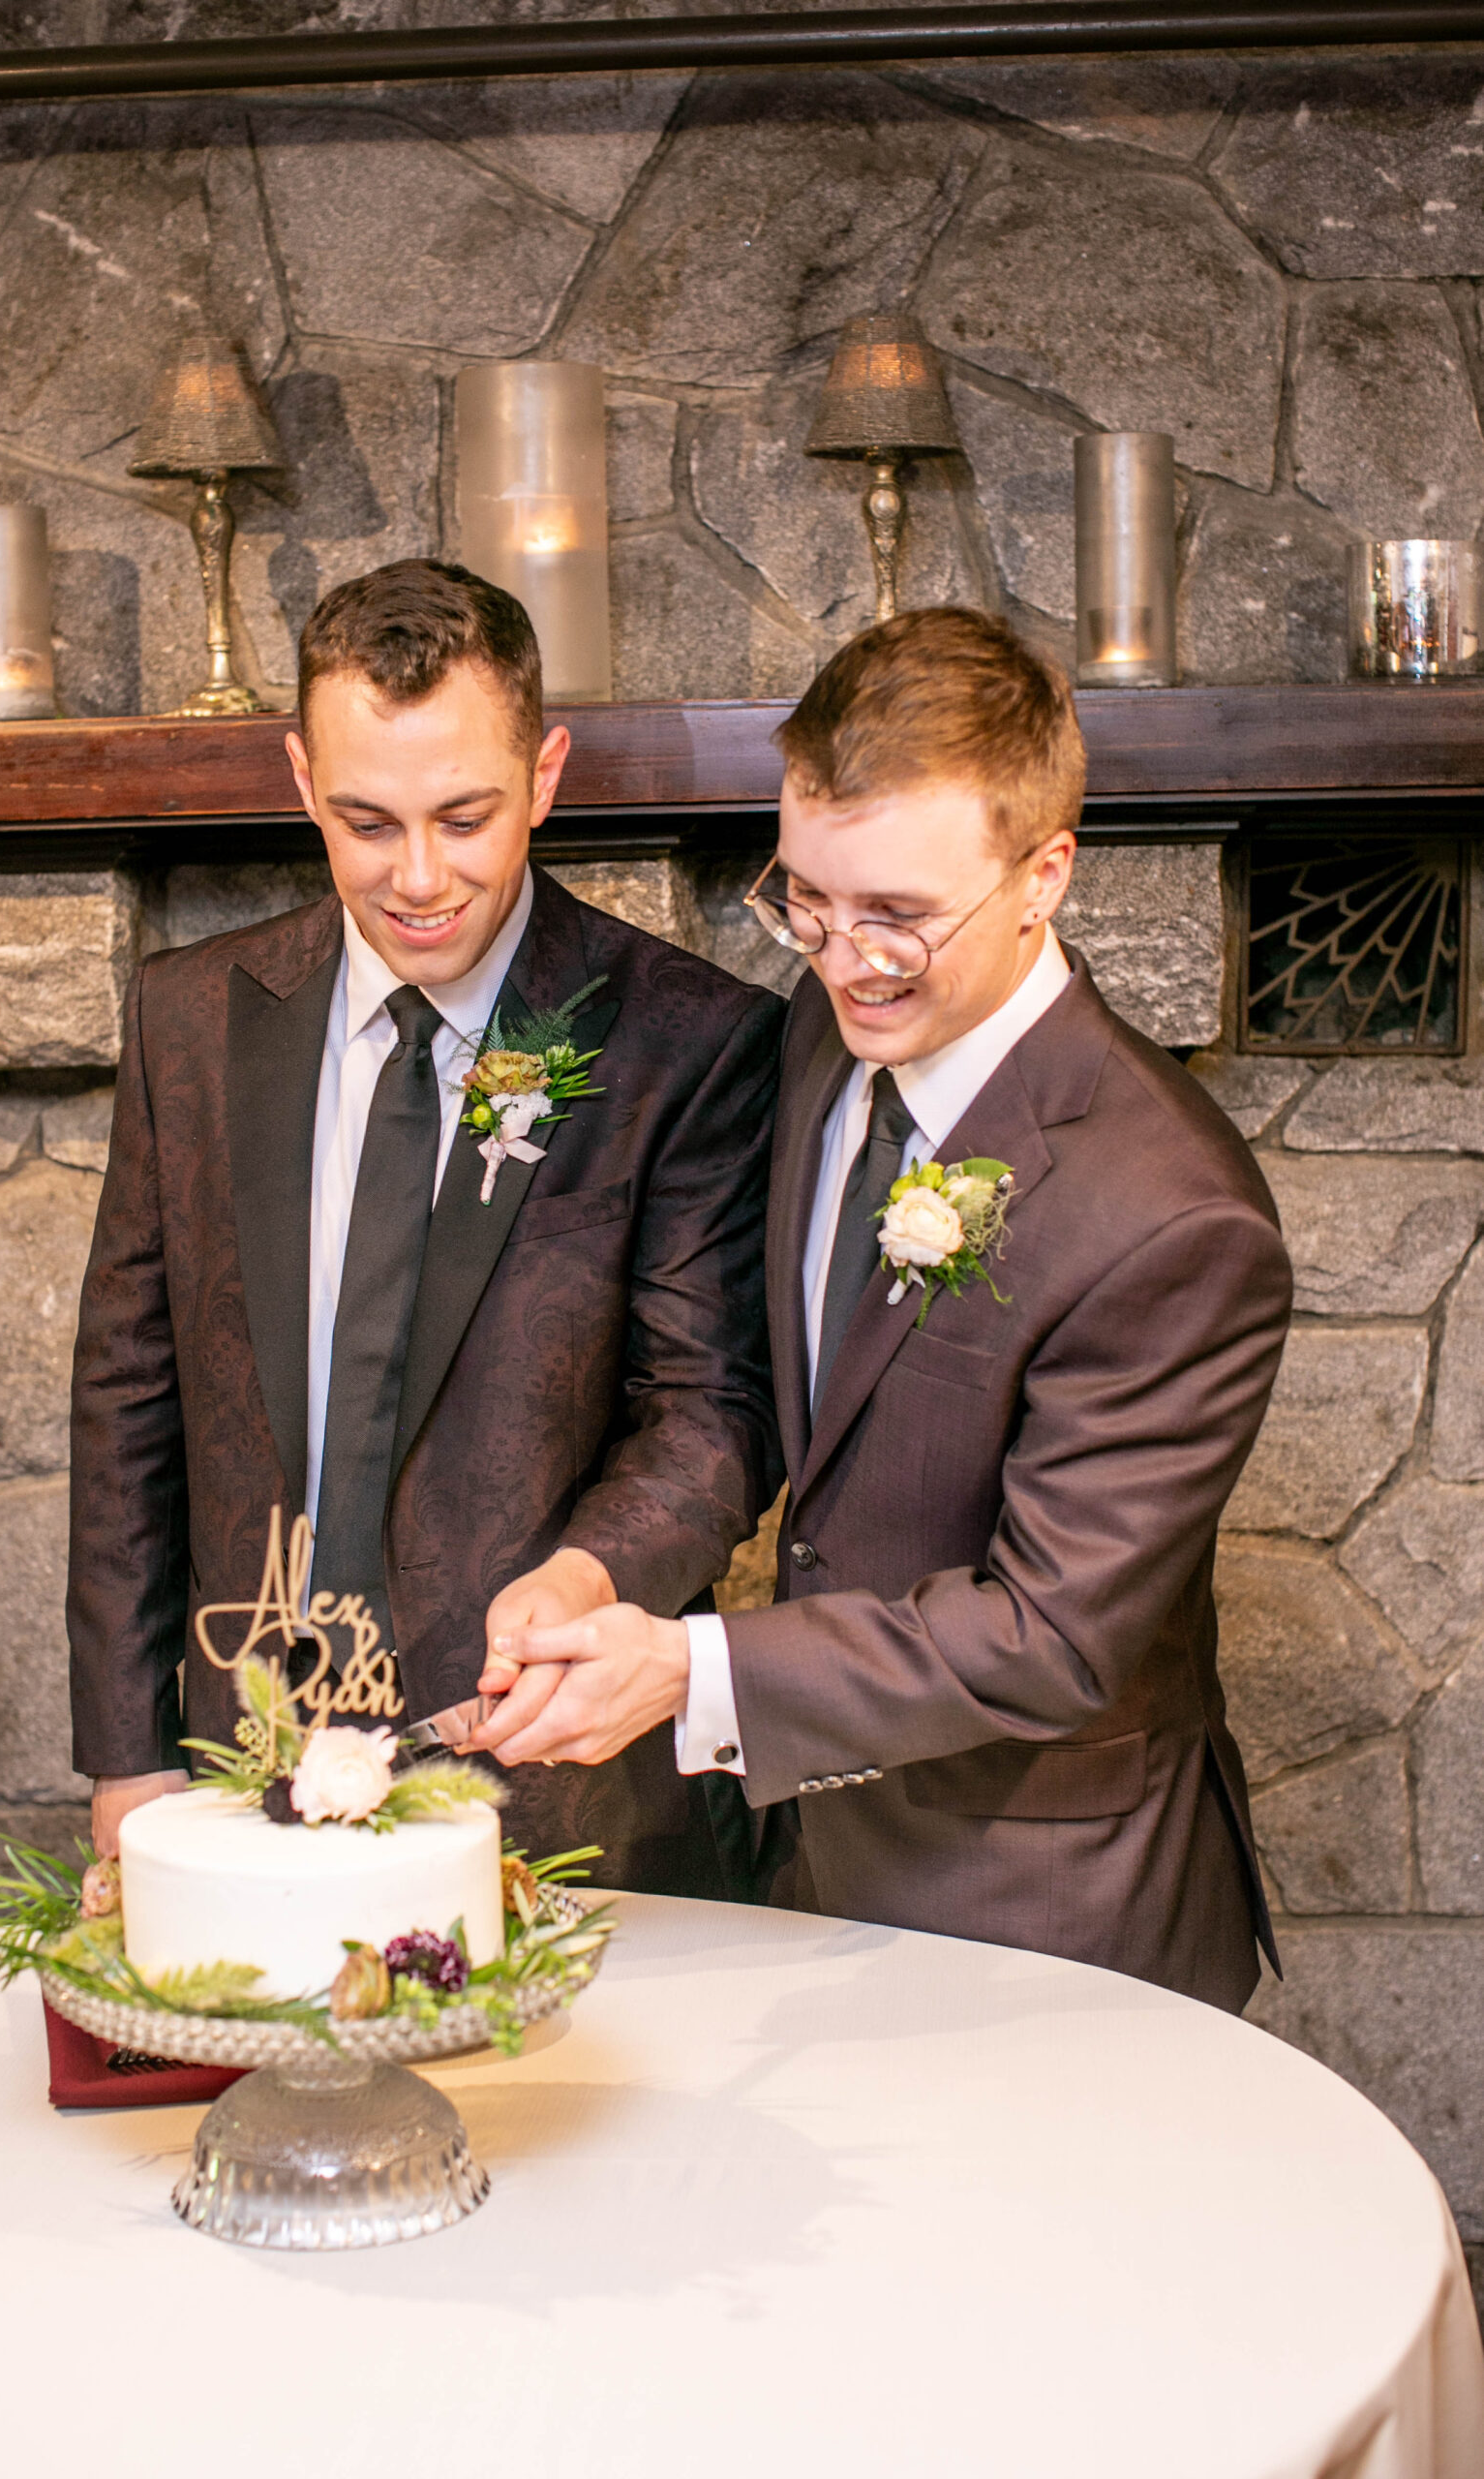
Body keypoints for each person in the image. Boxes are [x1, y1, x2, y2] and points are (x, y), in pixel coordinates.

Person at [468, 606, 1292, 2010]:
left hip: (1051, 1911)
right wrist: (596, 1572)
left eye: (900, 916)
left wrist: (691, 1672)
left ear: (1043, 875)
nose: (846, 959)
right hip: (817, 1866)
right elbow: (792, 1409)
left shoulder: (1172, 1213)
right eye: (807, 898)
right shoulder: (817, 1041)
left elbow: (1053, 1636)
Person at [69, 558, 782, 1896]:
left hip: (548, 1768)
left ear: (545, 774)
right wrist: (127, 1751)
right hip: (242, 1761)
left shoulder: (687, 1042)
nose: (418, 878)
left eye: (465, 817)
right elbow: (129, 1395)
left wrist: (585, 1579)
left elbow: (712, 1410)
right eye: (365, 822)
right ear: (300, 783)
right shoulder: (191, 1019)